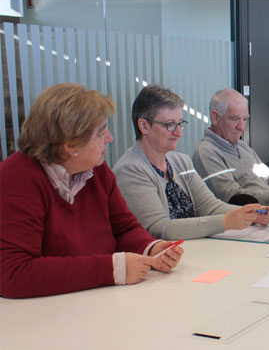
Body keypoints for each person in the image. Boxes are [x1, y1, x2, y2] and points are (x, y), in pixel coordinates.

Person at [0, 83, 182, 299]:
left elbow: (125, 229)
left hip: (100, 299)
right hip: (47, 316)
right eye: (100, 132)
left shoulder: (97, 170)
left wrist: (151, 248)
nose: (109, 138)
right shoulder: (17, 179)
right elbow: (14, 274)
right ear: (70, 144)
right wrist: (112, 269)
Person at [113, 85, 269, 241]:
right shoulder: (130, 170)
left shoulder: (181, 162)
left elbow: (209, 206)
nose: (178, 133)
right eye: (169, 125)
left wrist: (251, 214)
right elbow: (160, 228)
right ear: (144, 126)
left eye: (180, 124)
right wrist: (226, 222)